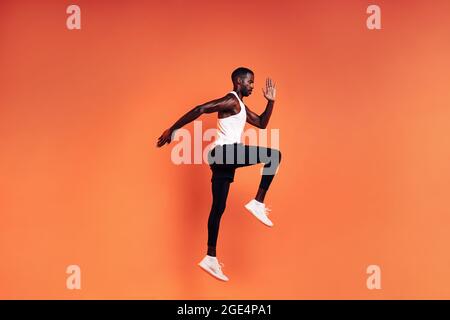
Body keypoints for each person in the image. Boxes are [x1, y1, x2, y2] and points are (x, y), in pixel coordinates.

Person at [157, 67, 282, 281]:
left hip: (222, 161)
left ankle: (210, 257)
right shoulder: (231, 100)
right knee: (274, 155)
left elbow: (261, 123)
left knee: (218, 208)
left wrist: (271, 101)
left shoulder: (240, 106)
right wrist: (173, 128)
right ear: (238, 82)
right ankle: (257, 203)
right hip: (224, 153)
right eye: (250, 82)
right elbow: (200, 108)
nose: (252, 86)